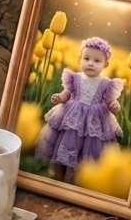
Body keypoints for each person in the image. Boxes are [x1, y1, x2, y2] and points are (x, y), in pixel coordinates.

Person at [35, 37, 123, 182]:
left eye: (97, 61)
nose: (90, 63)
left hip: (94, 122)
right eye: (86, 58)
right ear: (79, 60)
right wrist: (60, 98)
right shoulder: (74, 78)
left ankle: (82, 176)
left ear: (105, 65)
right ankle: (58, 174)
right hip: (72, 118)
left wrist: (114, 105)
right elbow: (66, 94)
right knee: (65, 146)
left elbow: (109, 101)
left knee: (88, 152)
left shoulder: (106, 84)